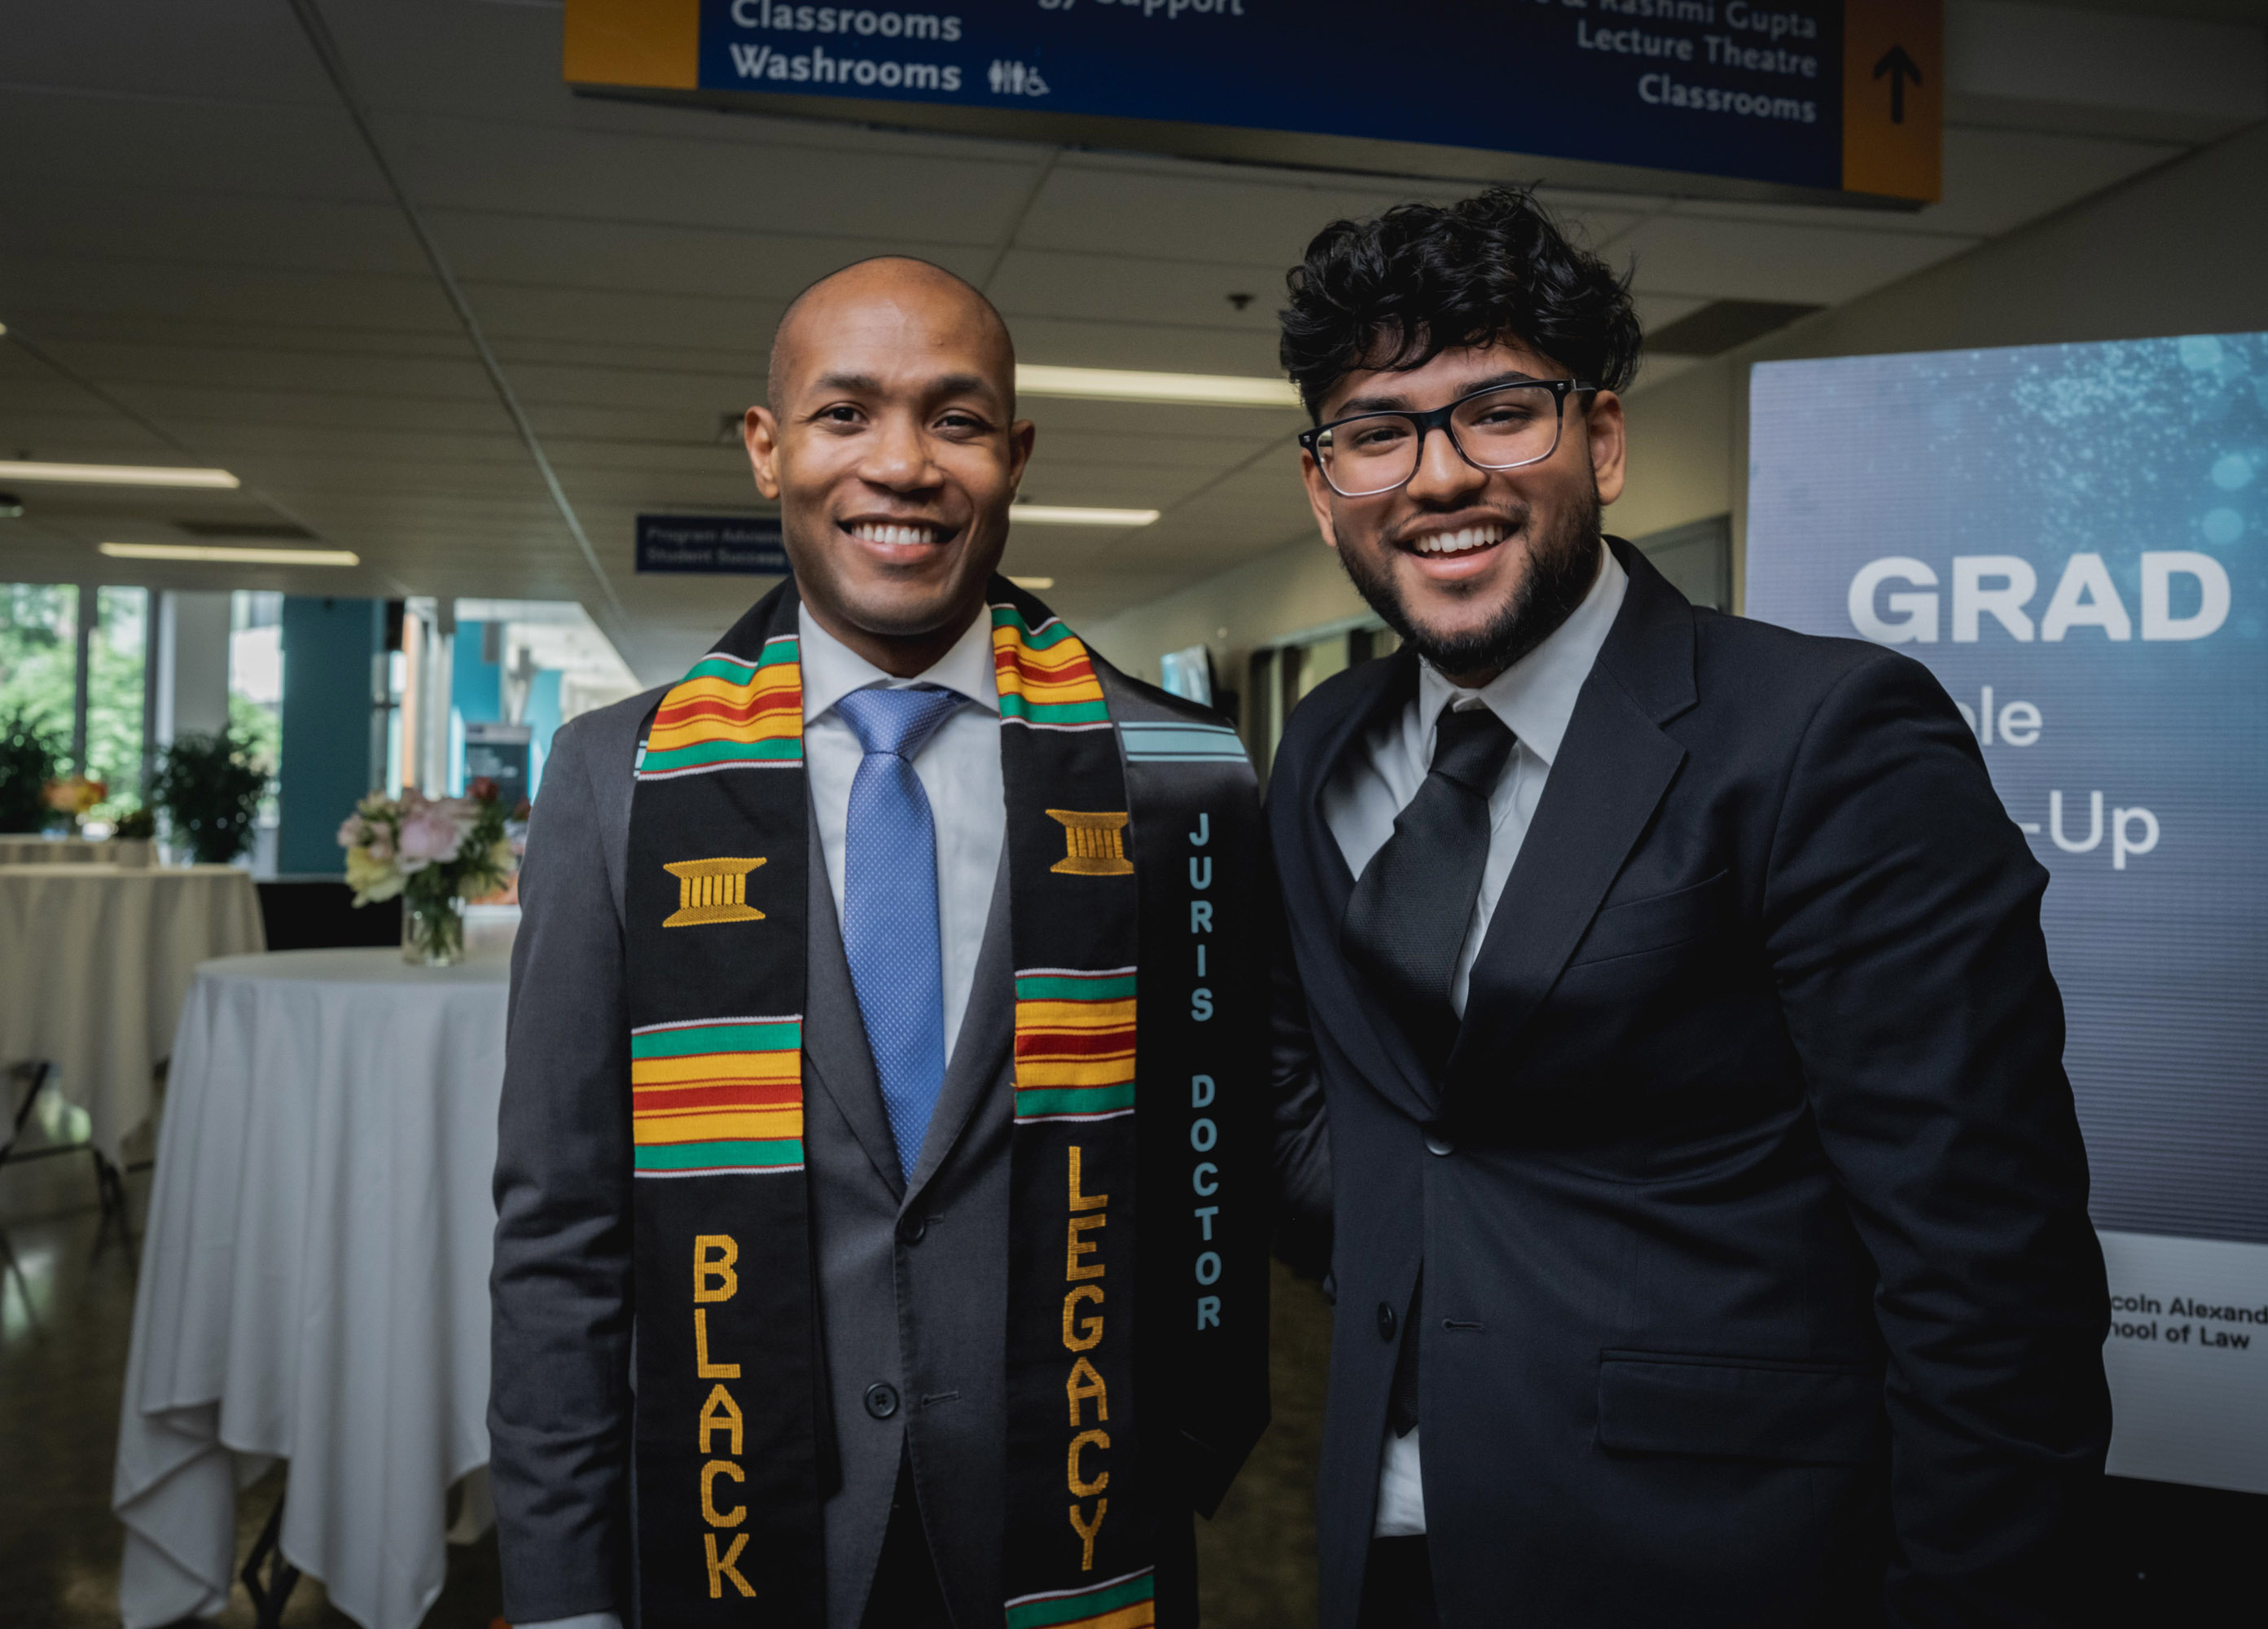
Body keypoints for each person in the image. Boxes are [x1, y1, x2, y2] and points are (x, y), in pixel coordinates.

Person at [1262, 188, 2112, 1627]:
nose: (1439, 476)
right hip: (1393, 1535)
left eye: (1499, 414)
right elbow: (1344, 1091)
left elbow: (1988, 1279)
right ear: (1323, 482)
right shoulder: (1328, 746)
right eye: (1377, 431)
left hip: (1717, 1558)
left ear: (1601, 440)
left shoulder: (1824, 737)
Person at [489, 257, 1318, 1629]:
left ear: (1016, 457)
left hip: (1074, 1503)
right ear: (767, 449)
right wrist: (564, 1598)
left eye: (956, 419)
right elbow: (561, 1236)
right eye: (846, 413)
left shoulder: (1171, 778)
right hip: (740, 1516)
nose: (903, 464)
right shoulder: (614, 780)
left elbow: (1222, 1146)